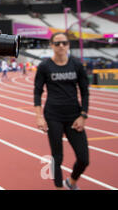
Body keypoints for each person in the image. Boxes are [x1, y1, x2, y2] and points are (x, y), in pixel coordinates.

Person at [34, 32, 89, 190]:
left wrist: (83, 115)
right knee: (57, 157)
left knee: (84, 159)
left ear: (68, 45)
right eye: (57, 43)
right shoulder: (45, 66)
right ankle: (58, 187)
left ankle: (71, 182)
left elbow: (85, 92)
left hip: (74, 116)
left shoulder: (77, 64)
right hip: (53, 116)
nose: (61, 46)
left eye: (64, 43)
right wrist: (39, 117)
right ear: (51, 45)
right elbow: (37, 92)